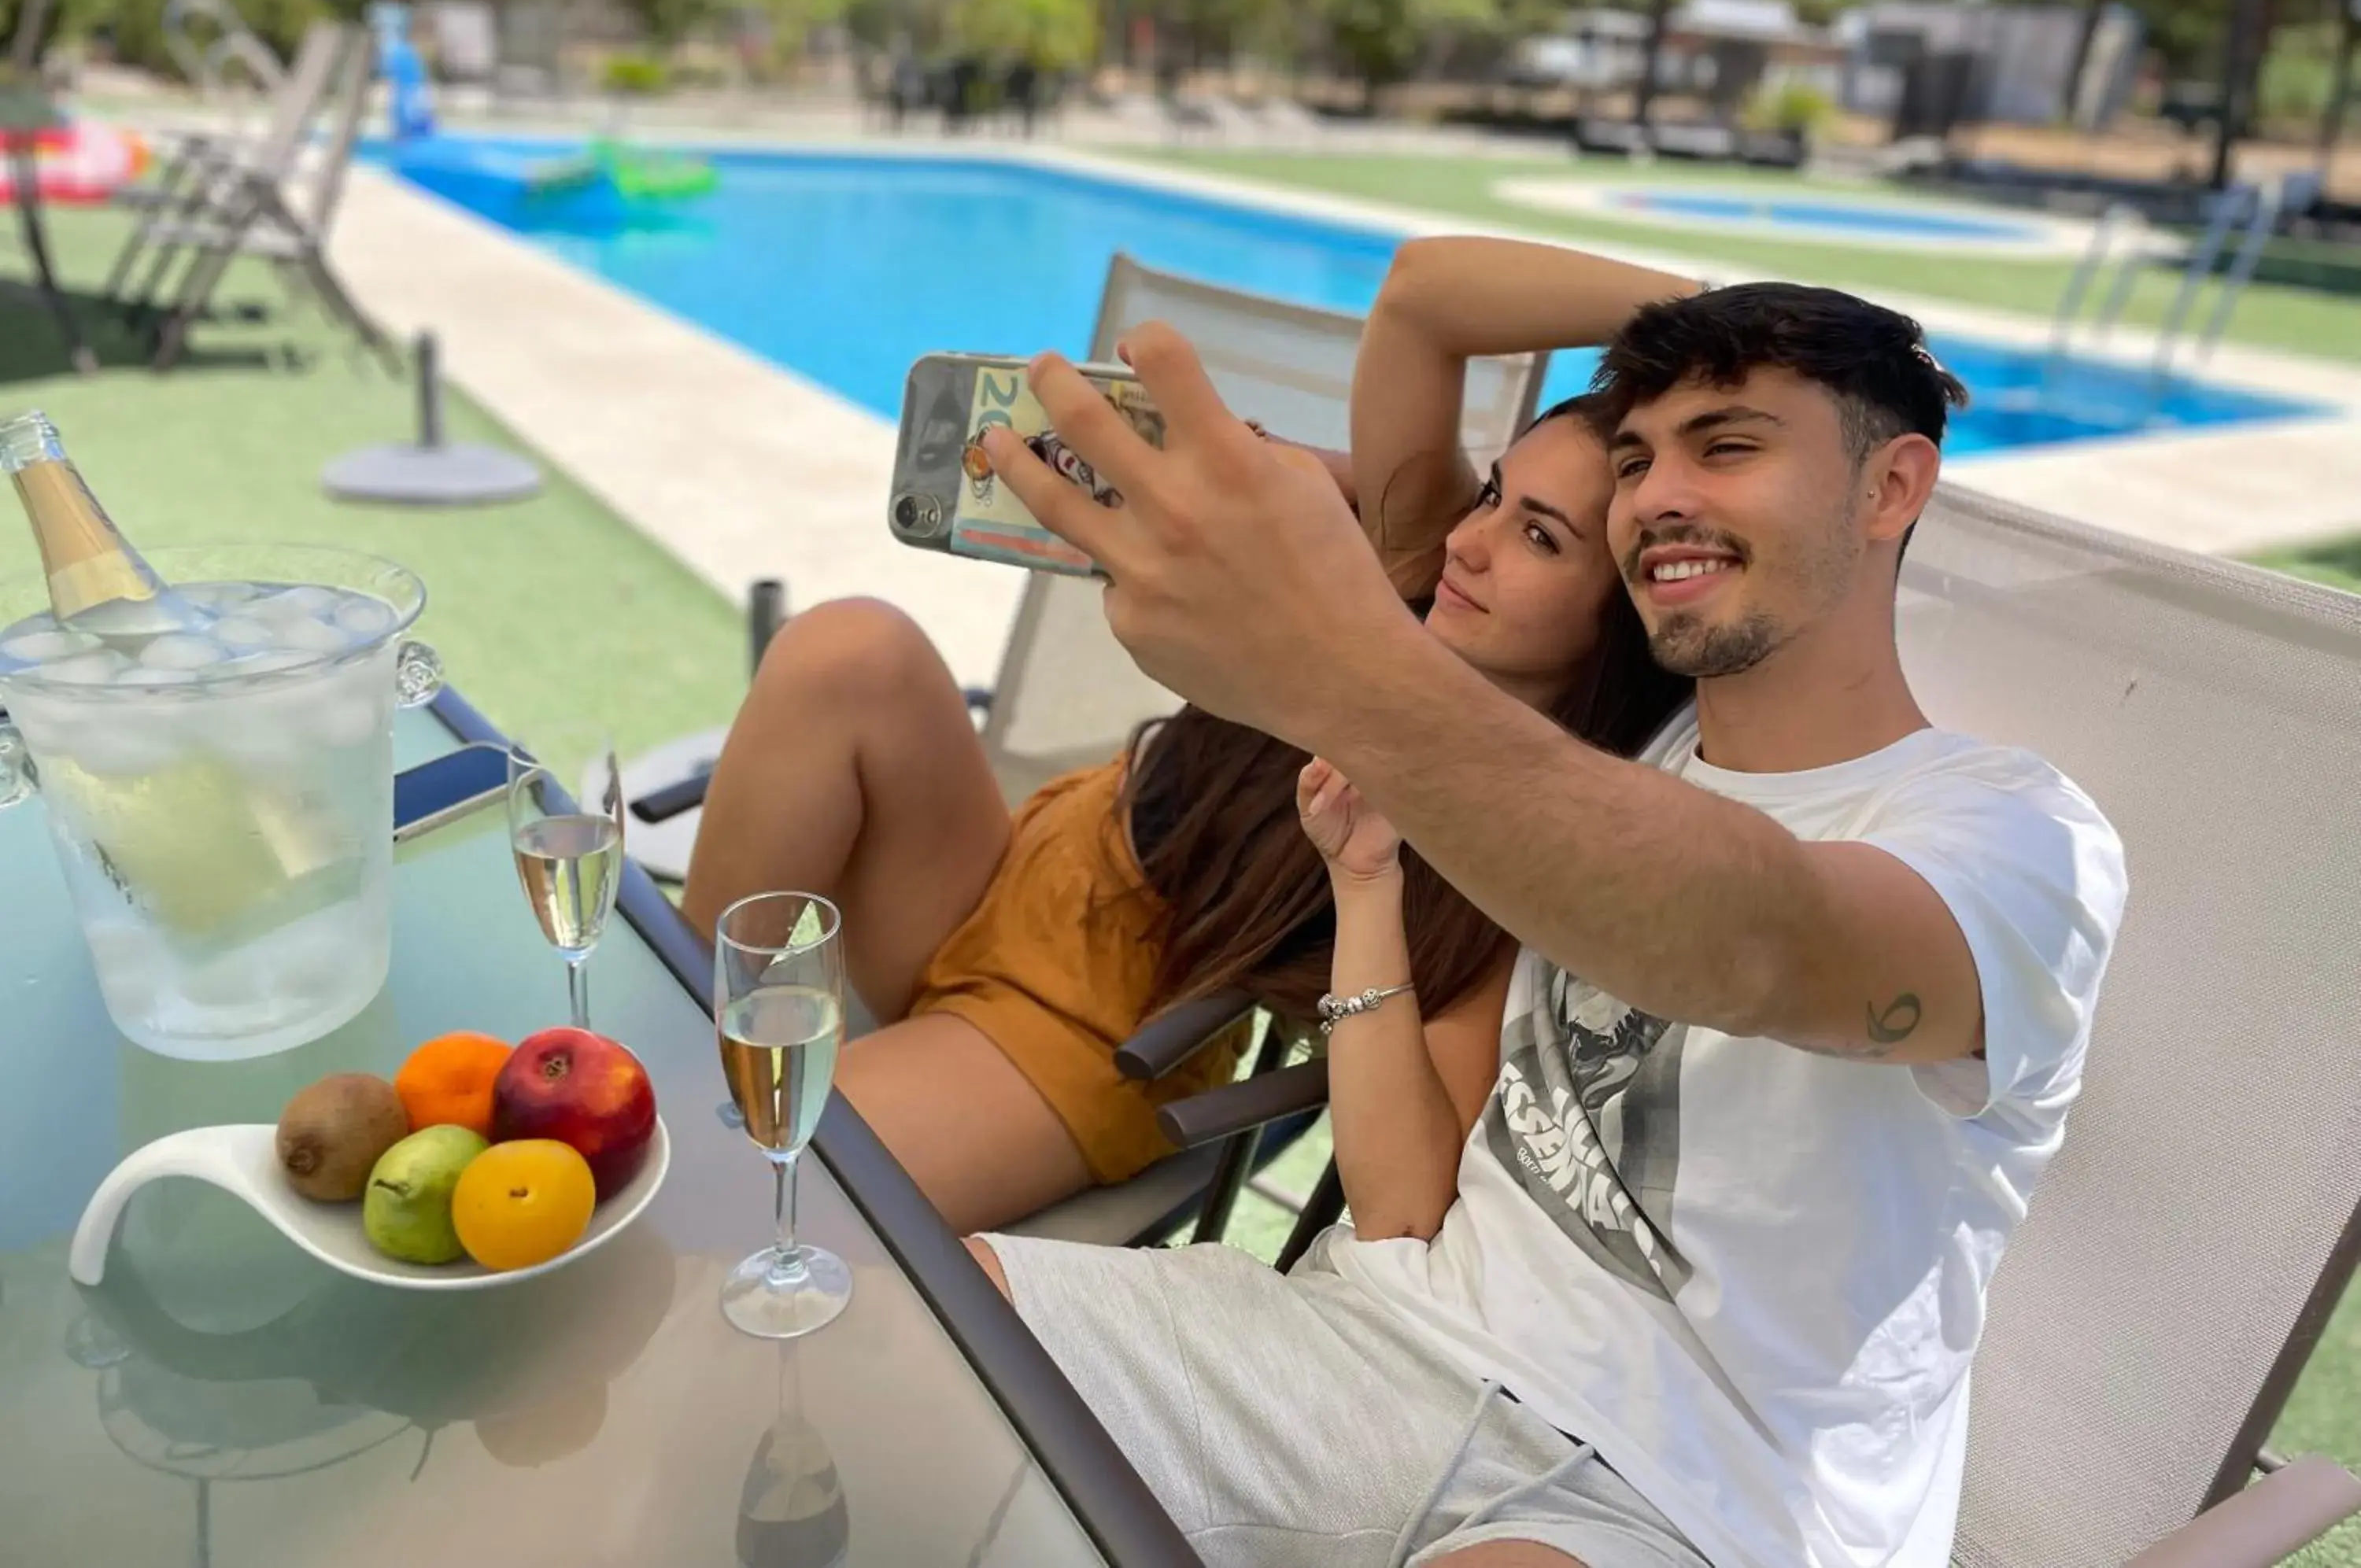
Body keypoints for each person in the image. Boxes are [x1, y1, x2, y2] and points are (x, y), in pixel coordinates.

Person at [969, 240, 2130, 1568]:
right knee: (880, 1325)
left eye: (1730, 446)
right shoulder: (1597, 773)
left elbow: (1756, 942)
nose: (1659, 498)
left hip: (1684, 1500)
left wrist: (1335, 668)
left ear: (1893, 486)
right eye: (1636, 462)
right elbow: (1405, 1199)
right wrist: (1366, 877)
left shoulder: (2017, 839)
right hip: (1366, 1347)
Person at [680, 239, 1691, 1234]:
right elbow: (1423, 295)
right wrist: (1731, 323)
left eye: (1540, 536)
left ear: (1620, 625)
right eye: (1491, 494)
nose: (1471, 539)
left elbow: (1419, 1175)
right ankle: (662, 1030)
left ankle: (661, 1121)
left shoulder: (1532, 822)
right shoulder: (1407, 570)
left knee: (739, 1189)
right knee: (849, 648)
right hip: (1010, 868)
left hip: (1098, 1028)